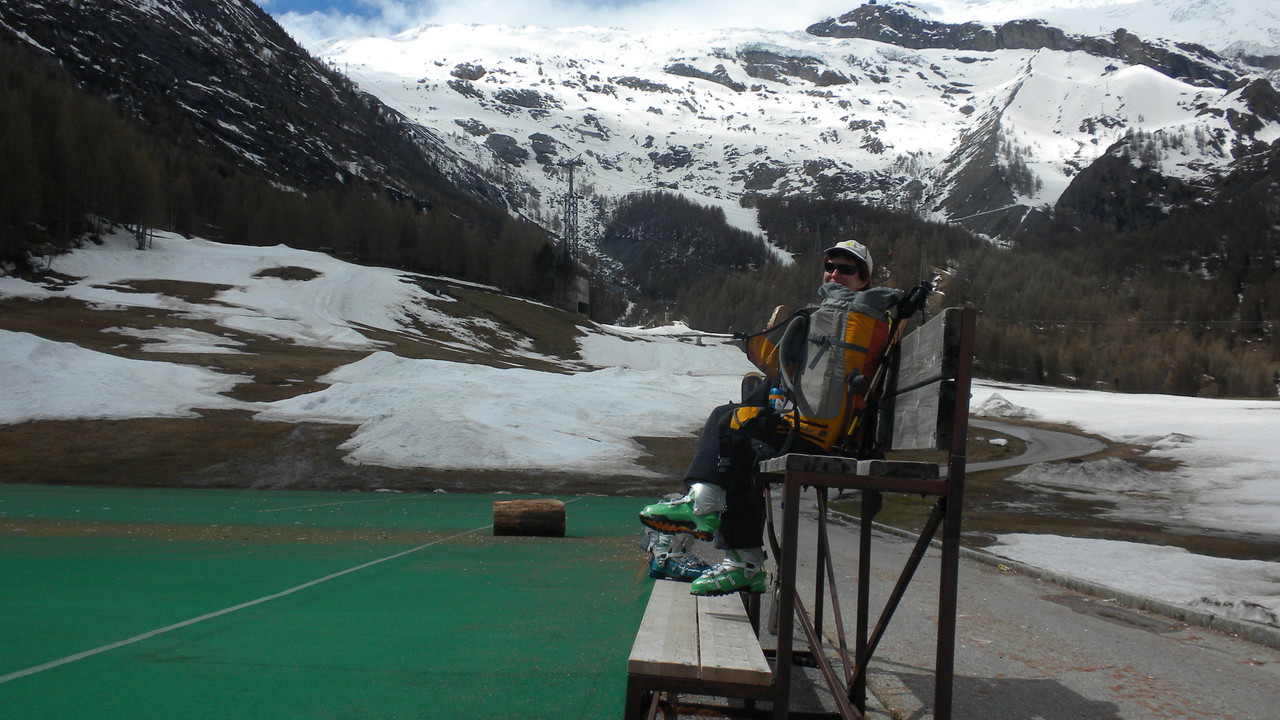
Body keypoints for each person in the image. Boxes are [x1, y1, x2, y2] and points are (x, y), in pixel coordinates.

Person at [640, 240, 879, 596]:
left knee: (728, 422)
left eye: (847, 269)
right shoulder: (837, 320)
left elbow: (829, 391)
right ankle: (738, 552)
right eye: (830, 266)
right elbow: (803, 378)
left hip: (827, 437)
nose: (835, 274)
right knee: (738, 438)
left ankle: (705, 515)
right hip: (815, 424)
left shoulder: (858, 319)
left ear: (864, 280)